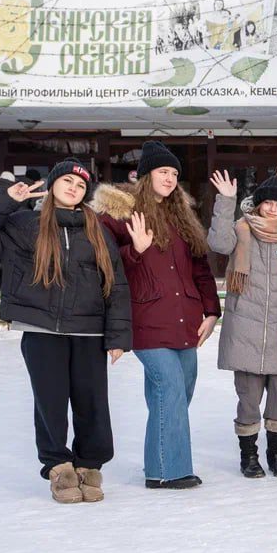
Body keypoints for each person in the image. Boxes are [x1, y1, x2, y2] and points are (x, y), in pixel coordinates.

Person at [0, 160, 129, 502]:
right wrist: (6, 199)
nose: (74, 187)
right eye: (67, 180)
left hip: (89, 330)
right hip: (41, 329)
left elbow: (115, 284)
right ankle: (59, 467)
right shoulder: (24, 225)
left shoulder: (96, 229)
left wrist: (117, 337)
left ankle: (89, 465)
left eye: (81, 185)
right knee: (50, 402)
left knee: (92, 402)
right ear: (53, 184)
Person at [95, 141, 220, 490]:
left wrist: (211, 310)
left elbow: (201, 268)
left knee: (176, 392)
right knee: (171, 389)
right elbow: (103, 263)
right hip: (146, 318)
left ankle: (157, 461)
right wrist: (134, 250)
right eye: (164, 171)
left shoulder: (182, 218)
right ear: (146, 175)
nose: (170, 178)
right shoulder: (120, 214)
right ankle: (169, 470)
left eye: (175, 173)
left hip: (185, 317)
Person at [206, 169, 277, 479]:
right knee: (248, 400)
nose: (273, 209)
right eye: (268, 203)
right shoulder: (241, 230)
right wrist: (225, 200)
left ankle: (276, 453)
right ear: (259, 204)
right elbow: (219, 244)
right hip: (245, 331)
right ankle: (248, 455)